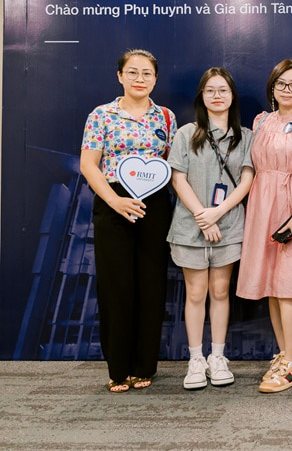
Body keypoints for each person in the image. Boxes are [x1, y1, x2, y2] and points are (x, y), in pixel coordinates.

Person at [80, 49, 176, 393]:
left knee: (151, 286)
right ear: (120, 76)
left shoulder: (165, 117)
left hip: (154, 206)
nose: (140, 79)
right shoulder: (102, 115)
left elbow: (170, 164)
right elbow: (89, 164)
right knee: (116, 287)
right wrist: (115, 200)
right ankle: (118, 369)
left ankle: (144, 366)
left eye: (147, 73)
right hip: (113, 204)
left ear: (155, 79)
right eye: (133, 72)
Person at [236, 59, 292, 393]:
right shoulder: (261, 120)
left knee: (288, 284)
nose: (287, 90)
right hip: (262, 204)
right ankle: (283, 354)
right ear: (272, 88)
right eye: (281, 83)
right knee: (272, 285)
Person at [167, 68, 254, 390]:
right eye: (210, 91)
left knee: (220, 292)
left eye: (223, 91)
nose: (217, 96)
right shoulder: (186, 133)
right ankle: (195, 359)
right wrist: (203, 215)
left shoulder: (246, 136)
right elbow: (178, 179)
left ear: (232, 96)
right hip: (191, 227)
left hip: (229, 226)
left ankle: (218, 357)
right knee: (195, 293)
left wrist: (218, 212)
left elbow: (247, 180)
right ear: (201, 97)